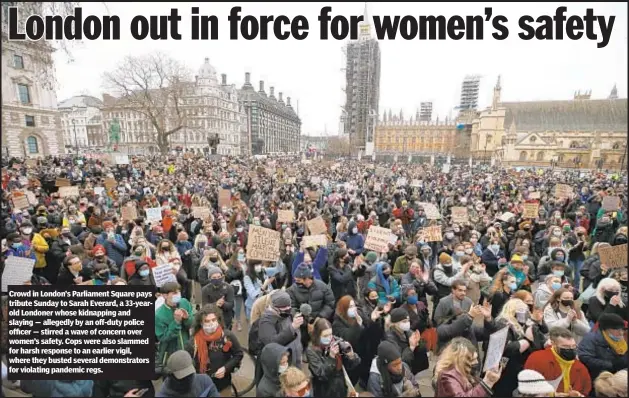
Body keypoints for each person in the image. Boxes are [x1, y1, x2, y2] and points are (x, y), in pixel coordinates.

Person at [186, 304, 243, 392]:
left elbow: (238, 354)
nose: (211, 324)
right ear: (201, 323)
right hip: (201, 387)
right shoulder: (193, 342)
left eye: (213, 320)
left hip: (223, 385)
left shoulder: (227, 336)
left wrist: (225, 368)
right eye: (207, 321)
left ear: (218, 320)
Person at [524, 327, 592, 396]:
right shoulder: (537, 359)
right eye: (566, 347)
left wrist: (579, 395)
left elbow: (585, 390)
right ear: (553, 344)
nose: (571, 349)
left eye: (573, 346)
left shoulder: (580, 367)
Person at [306, 318, 361, 397]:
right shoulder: (311, 350)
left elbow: (351, 365)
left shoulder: (336, 341)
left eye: (330, 334)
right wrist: (331, 357)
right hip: (324, 389)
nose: (329, 338)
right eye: (325, 335)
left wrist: (351, 355)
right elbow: (320, 375)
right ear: (317, 335)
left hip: (340, 384)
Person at [433, 337, 502, 397]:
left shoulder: (465, 371)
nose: (476, 362)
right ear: (461, 360)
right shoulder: (447, 376)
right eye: (472, 359)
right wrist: (487, 381)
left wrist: (490, 380)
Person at [577, 313, 628, 385]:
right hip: (597, 379)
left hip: (618, 378)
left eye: (622, 329)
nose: (621, 333)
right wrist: (611, 365)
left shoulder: (621, 341)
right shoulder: (591, 339)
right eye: (617, 329)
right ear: (606, 329)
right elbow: (585, 357)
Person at [257, 291, 303, 366]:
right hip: (282, 362)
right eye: (284, 307)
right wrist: (292, 327)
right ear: (274, 307)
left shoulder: (288, 314)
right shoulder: (266, 321)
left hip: (295, 358)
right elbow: (272, 343)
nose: (288, 309)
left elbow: (297, 335)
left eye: (289, 306)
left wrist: (299, 353)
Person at [155, 282, 194, 371]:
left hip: (187, 347)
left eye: (179, 292)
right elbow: (163, 337)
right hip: (170, 352)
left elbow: (194, 323)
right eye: (174, 293)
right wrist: (176, 322)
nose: (178, 295)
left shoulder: (184, 302)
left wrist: (187, 318)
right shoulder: (159, 314)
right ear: (165, 296)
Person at [386, 308, 429, 375]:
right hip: (400, 373)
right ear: (395, 323)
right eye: (404, 321)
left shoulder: (407, 332)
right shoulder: (390, 339)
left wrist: (418, 341)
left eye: (408, 321)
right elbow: (400, 362)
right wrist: (411, 348)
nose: (407, 323)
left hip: (411, 369)